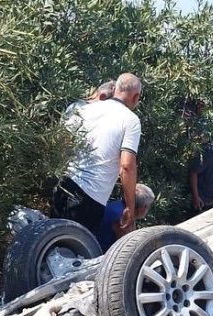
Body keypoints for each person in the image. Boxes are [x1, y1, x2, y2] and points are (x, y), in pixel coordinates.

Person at [53, 73, 143, 236]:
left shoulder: (83, 108)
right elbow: (127, 166)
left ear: (115, 89)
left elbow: (60, 145)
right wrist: (130, 207)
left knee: (52, 244)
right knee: (77, 253)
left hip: (64, 185)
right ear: (136, 97)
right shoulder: (130, 120)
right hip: (91, 197)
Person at [93, 183, 154, 251]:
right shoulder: (124, 219)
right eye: (149, 205)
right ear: (143, 208)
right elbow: (125, 248)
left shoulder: (117, 205)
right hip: (99, 252)